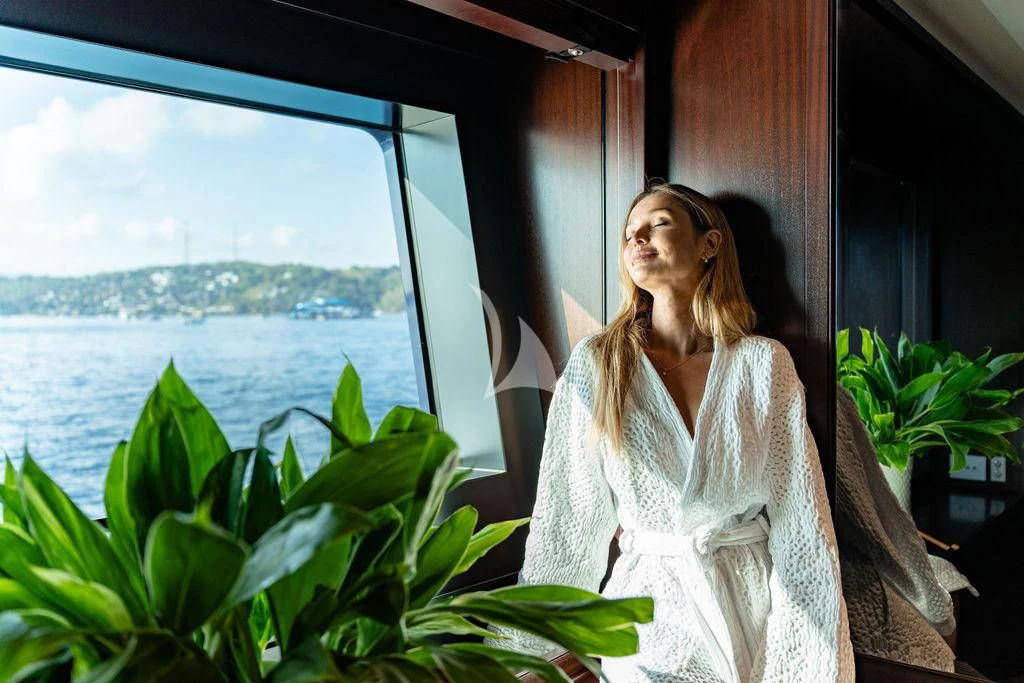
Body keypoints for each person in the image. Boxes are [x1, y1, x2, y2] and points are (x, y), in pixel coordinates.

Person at [484, 182, 855, 682]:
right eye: (628, 232)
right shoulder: (599, 366)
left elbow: (803, 523)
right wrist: (520, 657)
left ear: (709, 244)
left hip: (755, 608)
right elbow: (566, 524)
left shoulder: (763, 364)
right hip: (650, 617)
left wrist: (808, 659)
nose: (637, 236)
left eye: (657, 222)